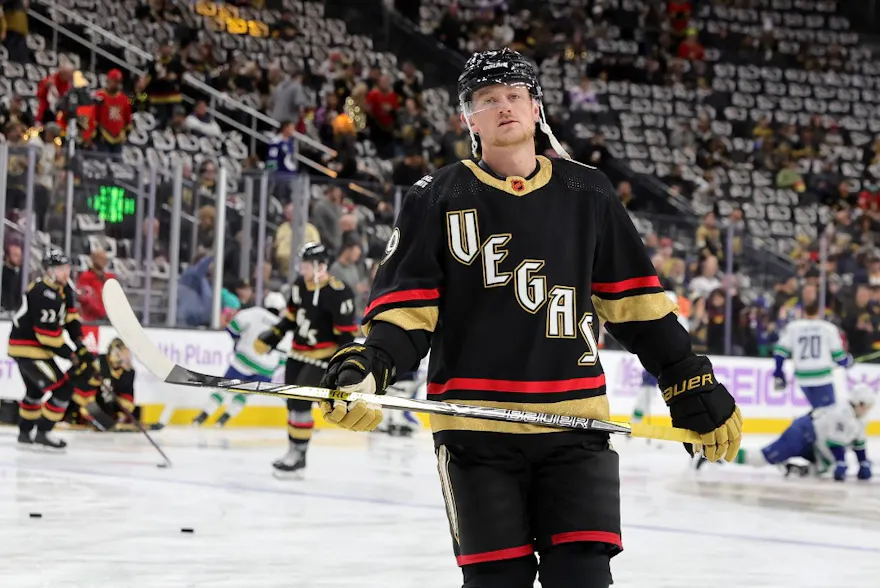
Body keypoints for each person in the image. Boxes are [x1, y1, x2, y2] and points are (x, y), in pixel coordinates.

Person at [317, 48, 743, 588]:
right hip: (474, 433)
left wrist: (686, 377)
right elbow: (407, 312)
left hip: (576, 426)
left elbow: (636, 304)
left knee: (584, 578)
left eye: (515, 96)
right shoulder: (436, 198)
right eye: (487, 100)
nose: (503, 107)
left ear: (536, 107)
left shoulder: (587, 192)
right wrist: (370, 367)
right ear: (468, 118)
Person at [254, 243, 358, 479]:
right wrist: (273, 336)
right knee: (292, 403)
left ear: (321, 266)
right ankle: (293, 450)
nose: (301, 269)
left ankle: (299, 455)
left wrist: (342, 365)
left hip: (321, 358)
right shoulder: (300, 286)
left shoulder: (339, 292)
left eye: (305, 265)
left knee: (301, 404)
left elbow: (346, 335)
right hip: (297, 354)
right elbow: (291, 318)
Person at [7, 248, 97, 450]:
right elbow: (46, 335)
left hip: (35, 349)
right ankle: (43, 431)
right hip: (28, 350)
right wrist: (72, 355)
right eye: (60, 268)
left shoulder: (64, 290)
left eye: (66, 268)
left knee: (35, 391)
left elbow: (71, 320)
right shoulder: (42, 292)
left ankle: (24, 432)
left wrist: (80, 345)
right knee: (63, 389)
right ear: (48, 271)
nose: (66, 272)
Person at [730, 384, 874, 481]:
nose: (867, 409)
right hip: (801, 434)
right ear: (858, 403)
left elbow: (858, 442)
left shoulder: (859, 417)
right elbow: (834, 442)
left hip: (815, 441)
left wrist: (863, 463)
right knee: (760, 459)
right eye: (865, 405)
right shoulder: (842, 413)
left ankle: (799, 470)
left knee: (826, 467)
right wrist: (841, 462)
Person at [191, 292, 288, 428]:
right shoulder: (284, 326)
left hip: (244, 360)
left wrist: (240, 340)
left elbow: (233, 328)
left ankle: (202, 417)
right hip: (267, 369)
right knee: (244, 394)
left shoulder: (255, 312)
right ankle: (224, 419)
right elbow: (283, 359)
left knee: (224, 388)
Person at [773, 302, 853, 408]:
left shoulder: (793, 327)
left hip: (802, 376)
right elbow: (840, 358)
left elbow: (780, 353)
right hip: (822, 376)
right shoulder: (828, 328)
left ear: (803, 312)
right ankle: (800, 424)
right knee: (828, 412)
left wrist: (779, 373)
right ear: (819, 312)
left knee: (819, 410)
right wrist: (848, 361)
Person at [66, 338, 136, 430]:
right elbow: (81, 391)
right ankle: (73, 418)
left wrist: (121, 416)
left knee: (127, 405)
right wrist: (105, 422)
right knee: (85, 407)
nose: (126, 357)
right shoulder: (97, 364)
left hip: (104, 403)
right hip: (83, 401)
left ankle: (109, 420)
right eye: (123, 353)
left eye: (127, 353)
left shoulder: (128, 372)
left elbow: (127, 395)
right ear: (114, 353)